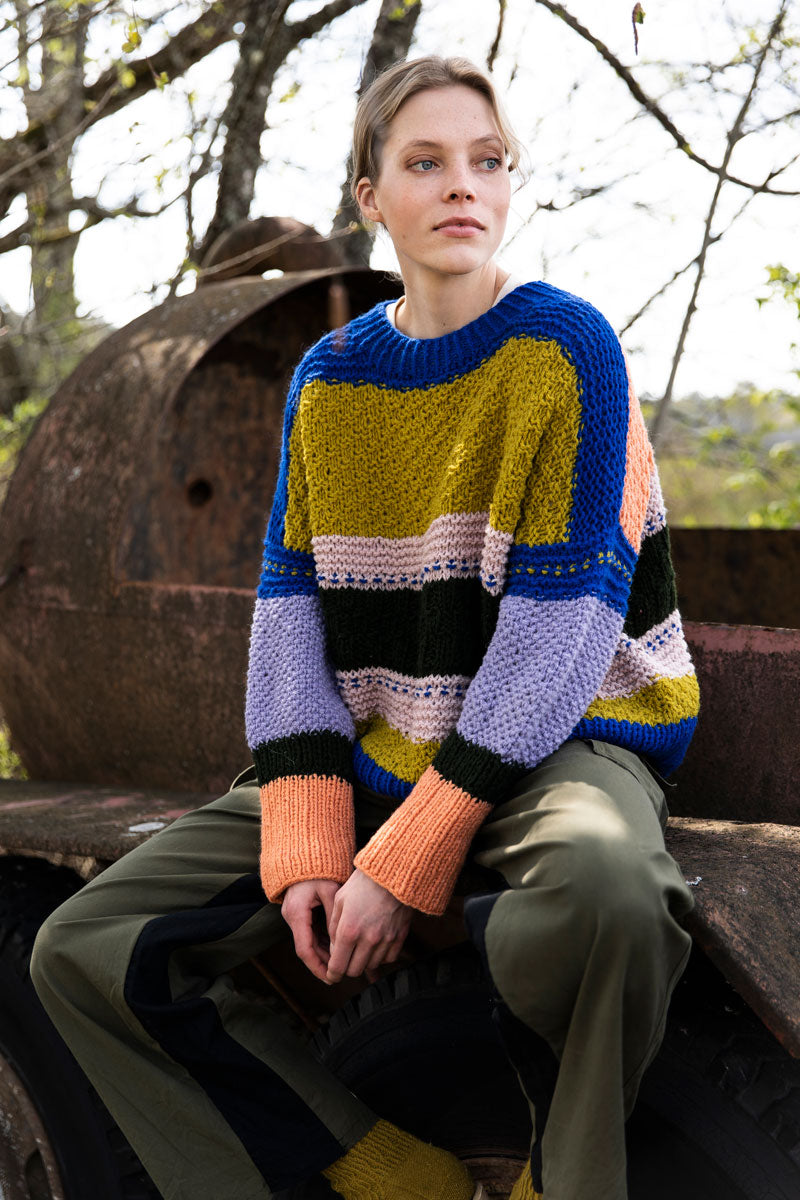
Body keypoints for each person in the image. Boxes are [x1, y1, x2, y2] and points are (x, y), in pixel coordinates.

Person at [31, 55, 699, 1200]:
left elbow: (557, 635)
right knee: (82, 950)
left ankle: (559, 1177)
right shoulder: (328, 380)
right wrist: (305, 839)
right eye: (425, 163)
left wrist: (399, 867)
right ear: (368, 198)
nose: (463, 189)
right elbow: (290, 615)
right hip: (382, 736)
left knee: (610, 891)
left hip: (560, 736)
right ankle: (373, 1172)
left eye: (487, 163)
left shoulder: (567, 349)